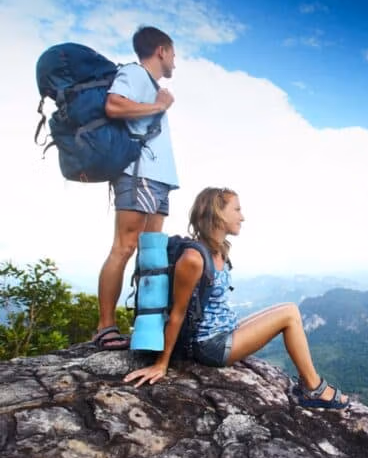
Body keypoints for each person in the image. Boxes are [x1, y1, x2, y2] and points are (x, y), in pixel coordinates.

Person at [123, 188, 350, 410]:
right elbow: (178, 313)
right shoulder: (193, 258)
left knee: (289, 307)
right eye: (237, 209)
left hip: (224, 330)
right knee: (289, 315)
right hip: (210, 346)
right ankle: (313, 388)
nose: (243, 216)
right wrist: (161, 365)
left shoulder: (219, 249)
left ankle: (310, 384)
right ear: (218, 213)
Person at [92, 26, 179, 351]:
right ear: (161, 50)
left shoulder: (152, 85)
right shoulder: (134, 73)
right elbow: (113, 106)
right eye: (173, 54)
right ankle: (104, 327)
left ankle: (147, 328)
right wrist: (158, 106)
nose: (174, 62)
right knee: (125, 246)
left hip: (158, 178)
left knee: (152, 253)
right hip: (138, 174)